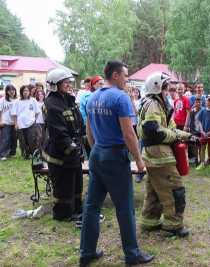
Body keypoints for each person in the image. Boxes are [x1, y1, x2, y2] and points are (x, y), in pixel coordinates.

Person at [80, 61, 153, 267]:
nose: (127, 79)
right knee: (125, 208)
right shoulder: (120, 98)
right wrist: (138, 160)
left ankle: (86, 253)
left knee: (92, 206)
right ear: (115, 75)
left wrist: (96, 150)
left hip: (97, 154)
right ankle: (132, 254)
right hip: (114, 157)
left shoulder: (93, 97)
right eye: (125, 76)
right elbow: (129, 133)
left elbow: (89, 130)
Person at [137, 72, 195, 238]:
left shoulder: (157, 103)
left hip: (154, 155)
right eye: (165, 87)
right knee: (175, 189)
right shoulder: (154, 104)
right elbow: (153, 131)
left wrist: (187, 136)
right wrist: (175, 136)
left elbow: (169, 128)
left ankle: (150, 221)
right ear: (156, 87)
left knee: (155, 190)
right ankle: (174, 225)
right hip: (160, 156)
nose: (169, 90)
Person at [42, 68, 84, 223]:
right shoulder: (51, 104)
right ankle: (63, 214)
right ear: (55, 85)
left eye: (68, 82)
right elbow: (58, 133)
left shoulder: (68, 99)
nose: (68, 85)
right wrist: (71, 148)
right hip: (60, 153)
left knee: (76, 182)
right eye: (65, 82)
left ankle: (77, 209)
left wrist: (80, 142)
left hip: (73, 150)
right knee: (64, 185)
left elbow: (78, 122)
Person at [11, 85, 40, 159]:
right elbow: (14, 114)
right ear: (21, 92)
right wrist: (15, 124)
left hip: (31, 124)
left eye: (27, 90)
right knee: (22, 141)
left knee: (32, 140)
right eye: (24, 91)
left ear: (29, 92)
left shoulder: (33, 100)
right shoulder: (17, 101)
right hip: (20, 125)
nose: (25, 92)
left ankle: (33, 154)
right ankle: (25, 155)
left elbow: (37, 112)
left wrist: (34, 120)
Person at [0, 84, 18, 160]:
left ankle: (12, 153)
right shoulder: (3, 100)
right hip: (5, 122)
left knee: (14, 139)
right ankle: (2, 154)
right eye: (9, 90)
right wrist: (0, 121)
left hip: (15, 123)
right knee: (5, 139)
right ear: (7, 91)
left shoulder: (17, 100)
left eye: (13, 90)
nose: (12, 92)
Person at [185, 96, 202, 165]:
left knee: (201, 146)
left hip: (201, 131)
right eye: (196, 102)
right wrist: (187, 127)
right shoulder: (192, 111)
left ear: (201, 103)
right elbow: (189, 119)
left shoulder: (203, 111)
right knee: (195, 146)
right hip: (193, 130)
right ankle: (196, 159)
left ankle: (201, 160)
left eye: (199, 102)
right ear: (194, 103)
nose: (197, 103)